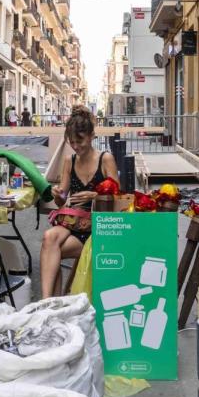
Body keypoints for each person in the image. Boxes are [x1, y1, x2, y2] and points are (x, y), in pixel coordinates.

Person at [40, 106, 119, 298]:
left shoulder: (105, 159)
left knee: (51, 250)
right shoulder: (69, 160)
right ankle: (47, 302)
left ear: (92, 136)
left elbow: (119, 199)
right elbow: (61, 203)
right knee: (49, 237)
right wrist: (57, 193)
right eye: (72, 142)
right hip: (73, 222)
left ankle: (50, 303)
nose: (76, 146)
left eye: (80, 141)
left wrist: (94, 196)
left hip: (98, 227)